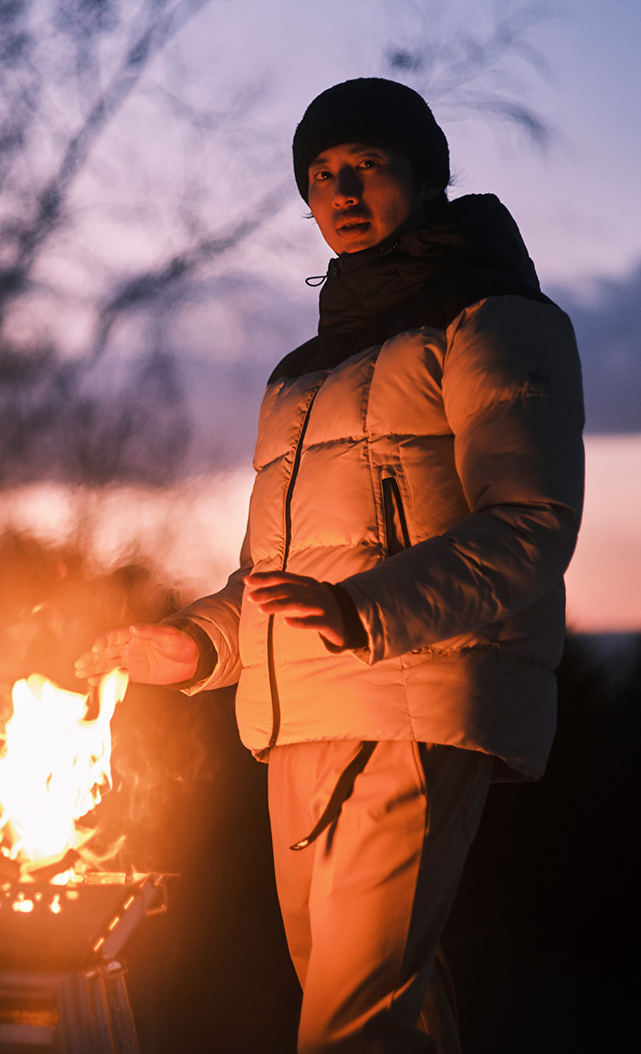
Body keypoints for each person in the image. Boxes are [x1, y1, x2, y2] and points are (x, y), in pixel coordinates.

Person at [76, 79, 584, 1053]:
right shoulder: (305, 372)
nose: (342, 190)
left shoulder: (493, 320)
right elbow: (268, 576)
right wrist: (193, 645)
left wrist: (364, 611)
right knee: (385, 1004)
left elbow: (530, 523)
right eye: (321, 175)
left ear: (425, 179)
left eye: (367, 166)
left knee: (350, 1019)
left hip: (412, 696)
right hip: (300, 716)